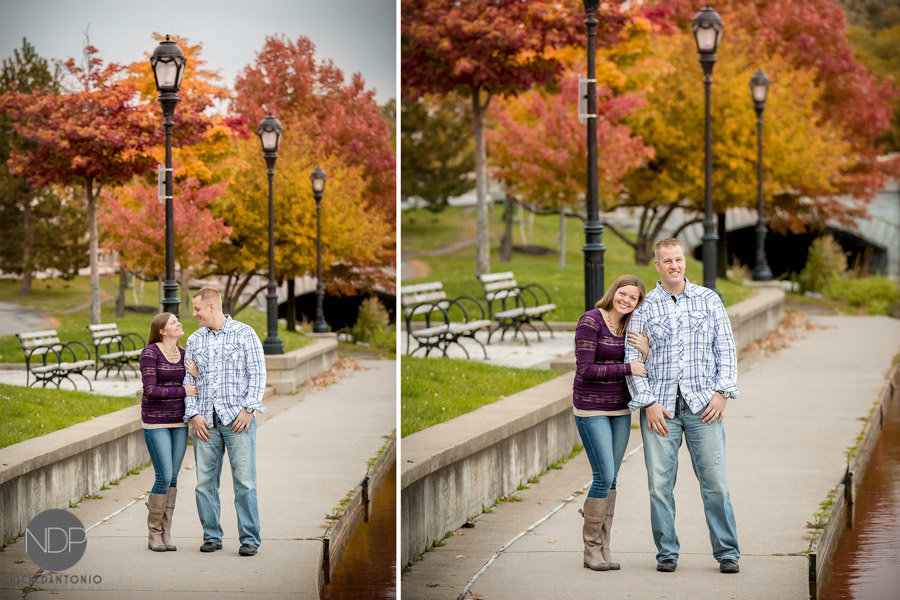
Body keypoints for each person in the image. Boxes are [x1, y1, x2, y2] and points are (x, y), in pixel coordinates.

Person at [625, 238, 741, 574]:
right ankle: (666, 552)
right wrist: (647, 403)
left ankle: (727, 552)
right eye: (667, 261)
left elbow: (726, 350)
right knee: (659, 485)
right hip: (662, 410)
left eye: (679, 260)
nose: (674, 265)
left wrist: (722, 393)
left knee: (715, 483)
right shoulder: (643, 309)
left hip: (704, 406)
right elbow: (632, 358)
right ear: (657, 265)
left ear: (684, 262)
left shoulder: (709, 300)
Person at [182, 287, 267, 556]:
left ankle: (250, 539)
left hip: (237, 420)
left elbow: (258, 373)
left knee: (245, 482)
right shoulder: (195, 340)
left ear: (211, 307)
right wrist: (193, 415)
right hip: (206, 422)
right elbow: (189, 382)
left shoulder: (245, 334)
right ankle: (211, 536)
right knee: (204, 483)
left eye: (197, 309)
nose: (193, 314)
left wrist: (249, 409)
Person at [573, 274, 649, 571]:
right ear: (613, 291)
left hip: (620, 409)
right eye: (623, 293)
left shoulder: (631, 327)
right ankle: (590, 549)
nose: (626, 300)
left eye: (634, 298)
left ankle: (604, 546)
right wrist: (628, 366)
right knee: (603, 475)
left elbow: (645, 369)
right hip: (591, 409)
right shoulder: (590, 321)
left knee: (613, 478)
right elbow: (586, 369)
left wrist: (644, 351)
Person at [139, 312, 198, 552]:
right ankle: (154, 534)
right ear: (162, 330)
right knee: (163, 476)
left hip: (179, 422)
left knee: (173, 477)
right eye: (173, 322)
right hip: (156, 422)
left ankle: (166, 532)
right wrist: (183, 391)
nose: (179, 324)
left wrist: (196, 376)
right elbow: (151, 390)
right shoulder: (150, 353)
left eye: (177, 321)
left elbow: (197, 385)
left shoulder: (185, 355)